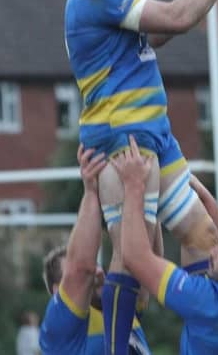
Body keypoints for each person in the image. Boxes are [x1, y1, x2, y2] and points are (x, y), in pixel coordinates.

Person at [64, 0, 218, 354]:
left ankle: (204, 345)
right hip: (122, 139)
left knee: (206, 237)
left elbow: (163, 29)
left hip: (154, 137)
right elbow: (177, 20)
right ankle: (118, 348)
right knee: (134, 257)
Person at [113, 135, 218, 354]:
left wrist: (133, 186)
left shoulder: (207, 301)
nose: (212, 251)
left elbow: (135, 257)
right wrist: (200, 193)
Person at [38, 144, 151, 355]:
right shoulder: (59, 326)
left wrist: (144, 191)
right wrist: (90, 190)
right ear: (57, 292)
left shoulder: (120, 304)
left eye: (99, 265)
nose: (99, 271)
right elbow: (82, 268)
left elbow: (144, 256)